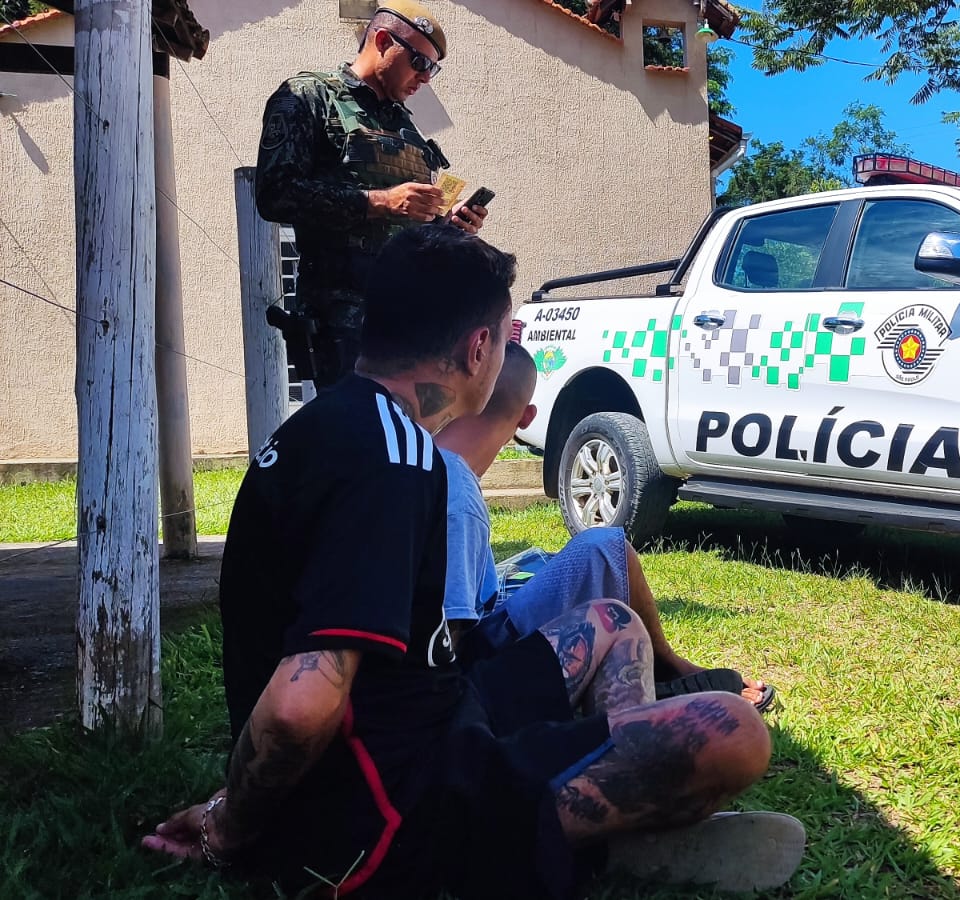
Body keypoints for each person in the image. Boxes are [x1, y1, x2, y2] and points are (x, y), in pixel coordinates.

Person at [141, 225, 803, 898]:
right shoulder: (395, 466)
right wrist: (232, 825)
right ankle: (585, 834)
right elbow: (298, 704)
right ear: (478, 348)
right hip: (395, 808)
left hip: (436, 711)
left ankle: (601, 801)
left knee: (608, 618)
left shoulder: (326, 427)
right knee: (733, 732)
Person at [434, 344, 774, 710]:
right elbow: (451, 644)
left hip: (481, 627)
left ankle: (642, 673)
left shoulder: (432, 461)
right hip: (481, 672)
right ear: (527, 418)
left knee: (542, 564)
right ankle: (666, 670)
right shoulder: (456, 492)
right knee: (603, 547)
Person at [255, 0, 489, 390]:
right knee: (356, 443)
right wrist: (380, 201)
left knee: (407, 445)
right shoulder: (309, 97)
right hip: (344, 327)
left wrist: (450, 227)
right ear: (382, 40)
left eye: (433, 68)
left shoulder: (407, 127)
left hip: (410, 322)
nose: (426, 78)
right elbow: (275, 194)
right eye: (419, 62)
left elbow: (413, 229)